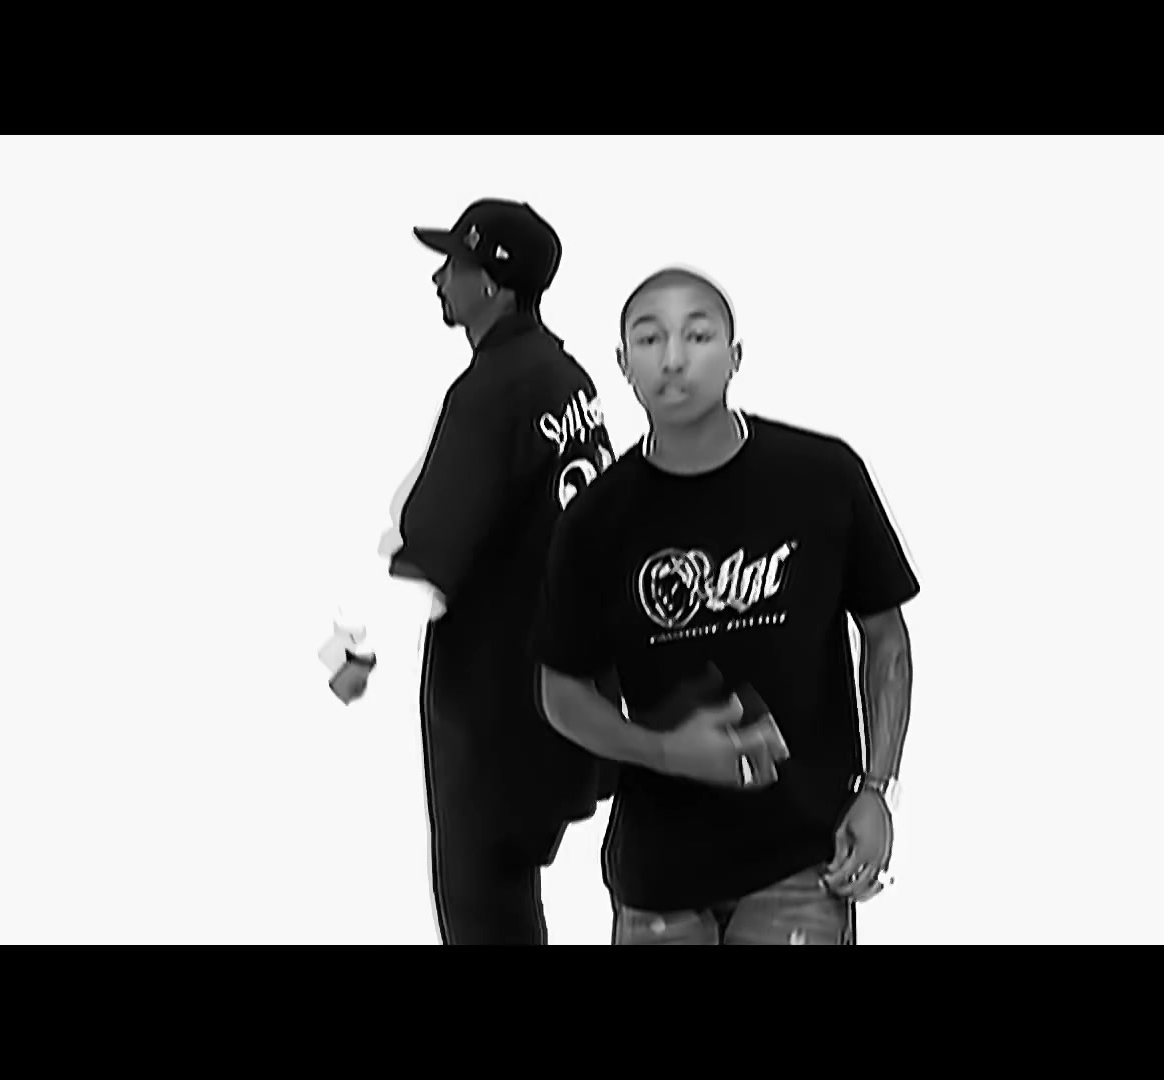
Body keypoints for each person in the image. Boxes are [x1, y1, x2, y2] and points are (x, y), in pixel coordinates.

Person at [529, 266, 919, 945]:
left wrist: (878, 788)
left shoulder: (822, 476)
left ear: (735, 356)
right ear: (623, 364)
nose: (673, 358)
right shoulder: (594, 520)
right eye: (650, 339)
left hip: (803, 859)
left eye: (698, 335)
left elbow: (885, 636)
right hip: (659, 870)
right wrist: (665, 750)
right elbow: (560, 691)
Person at [321, 198, 619, 945]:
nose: (438, 279)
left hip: (497, 712)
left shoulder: (491, 393)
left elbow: (426, 564)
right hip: (567, 692)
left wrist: (353, 652)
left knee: (483, 911)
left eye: (453, 264)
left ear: (493, 284)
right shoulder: (566, 378)